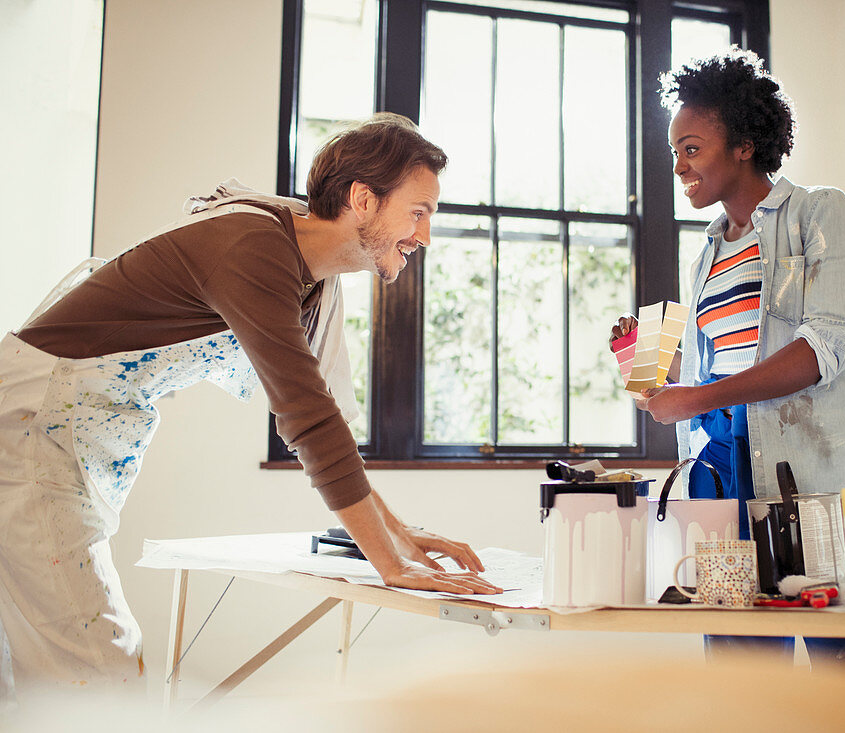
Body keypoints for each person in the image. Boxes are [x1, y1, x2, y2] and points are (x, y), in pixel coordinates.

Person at [0, 112, 501, 697]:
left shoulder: (310, 276)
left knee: (43, 665)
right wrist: (388, 563)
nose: (425, 236)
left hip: (60, 435)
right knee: (95, 669)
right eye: (419, 213)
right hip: (34, 428)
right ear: (363, 199)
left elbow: (327, 422)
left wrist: (399, 537)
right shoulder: (255, 246)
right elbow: (307, 418)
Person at [610, 48, 845, 661]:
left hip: (815, 472)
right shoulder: (705, 253)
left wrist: (697, 397)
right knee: (741, 670)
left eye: (691, 147)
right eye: (674, 151)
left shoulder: (820, 212)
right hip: (722, 475)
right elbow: (716, 374)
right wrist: (650, 368)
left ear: (742, 144)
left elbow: (825, 347)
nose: (679, 165)